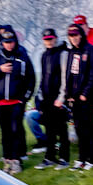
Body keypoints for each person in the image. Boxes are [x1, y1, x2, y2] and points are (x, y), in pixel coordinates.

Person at [0, 28, 35, 174]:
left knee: (15, 131)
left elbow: (31, 79)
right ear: (2, 43)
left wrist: (24, 99)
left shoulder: (22, 56)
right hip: (1, 102)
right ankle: (7, 159)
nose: (9, 45)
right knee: (5, 132)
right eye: (6, 42)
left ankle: (16, 160)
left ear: (15, 42)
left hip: (16, 102)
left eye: (11, 42)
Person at [57, 24, 93, 171]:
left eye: (76, 35)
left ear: (81, 35)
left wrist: (85, 93)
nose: (74, 38)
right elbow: (69, 76)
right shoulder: (71, 52)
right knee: (79, 129)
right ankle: (82, 158)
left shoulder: (90, 50)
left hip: (87, 98)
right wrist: (69, 95)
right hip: (74, 98)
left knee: (90, 129)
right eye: (71, 36)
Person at [34, 28, 70, 169]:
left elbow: (64, 78)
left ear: (55, 38)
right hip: (47, 98)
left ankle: (64, 158)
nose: (49, 41)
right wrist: (40, 96)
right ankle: (49, 157)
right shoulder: (44, 55)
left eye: (51, 38)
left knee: (61, 129)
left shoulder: (63, 54)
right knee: (49, 130)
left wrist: (62, 97)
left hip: (58, 98)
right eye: (46, 39)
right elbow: (43, 77)